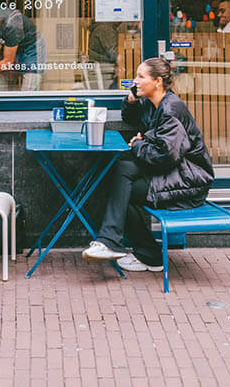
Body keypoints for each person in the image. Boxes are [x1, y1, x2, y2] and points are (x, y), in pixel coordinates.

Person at [82, 56, 214, 272]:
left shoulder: (171, 109)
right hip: (173, 173)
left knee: (122, 188)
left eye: (141, 77)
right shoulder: (153, 103)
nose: (135, 80)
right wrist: (131, 100)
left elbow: (165, 156)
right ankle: (132, 249)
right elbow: (131, 119)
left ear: (158, 82)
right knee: (122, 177)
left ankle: (121, 246)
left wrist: (138, 146)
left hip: (189, 181)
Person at [87, 20, 120, 89]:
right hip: (104, 71)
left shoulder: (103, 27)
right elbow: (114, 54)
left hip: (101, 70)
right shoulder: (105, 29)